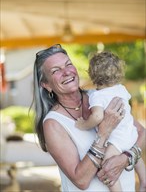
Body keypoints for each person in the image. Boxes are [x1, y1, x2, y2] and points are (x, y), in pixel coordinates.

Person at [32, 44, 146, 192]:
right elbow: (81, 180)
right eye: (56, 71)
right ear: (46, 85)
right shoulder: (53, 123)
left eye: (68, 64)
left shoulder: (100, 95)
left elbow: (140, 132)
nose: (66, 72)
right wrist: (103, 132)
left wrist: (126, 158)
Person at [75, 51, 146, 192]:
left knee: (106, 165)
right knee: (136, 157)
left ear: (92, 74)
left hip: (117, 140)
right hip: (130, 134)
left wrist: (83, 124)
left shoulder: (97, 95)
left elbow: (97, 117)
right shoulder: (122, 89)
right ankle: (144, 181)